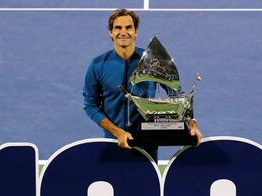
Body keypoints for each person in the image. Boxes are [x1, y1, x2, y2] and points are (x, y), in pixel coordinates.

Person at [83, 9, 202, 161]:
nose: (123, 32)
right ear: (110, 33)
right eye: (118, 28)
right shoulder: (98, 65)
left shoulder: (154, 60)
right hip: (114, 141)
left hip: (147, 143)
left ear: (136, 32)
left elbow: (176, 94)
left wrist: (191, 123)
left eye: (128, 27)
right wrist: (118, 132)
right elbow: (91, 105)